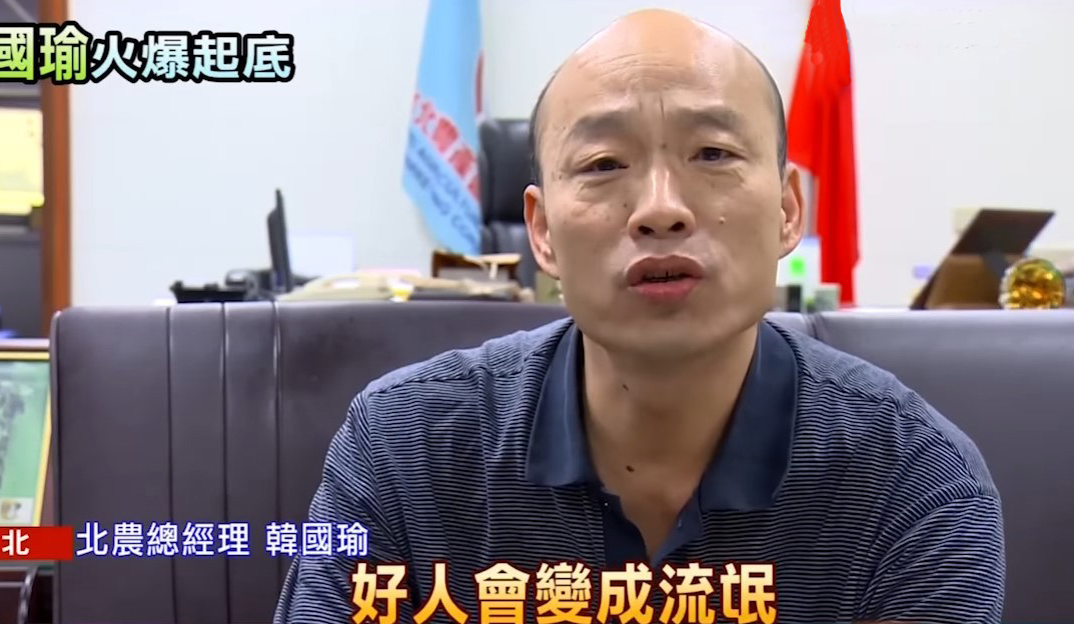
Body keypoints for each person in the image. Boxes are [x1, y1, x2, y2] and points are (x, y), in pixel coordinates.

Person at [274, 9, 1004, 624]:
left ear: (788, 210)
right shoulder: (403, 446)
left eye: (712, 153)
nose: (660, 209)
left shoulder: (914, 482)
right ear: (542, 232)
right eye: (603, 165)